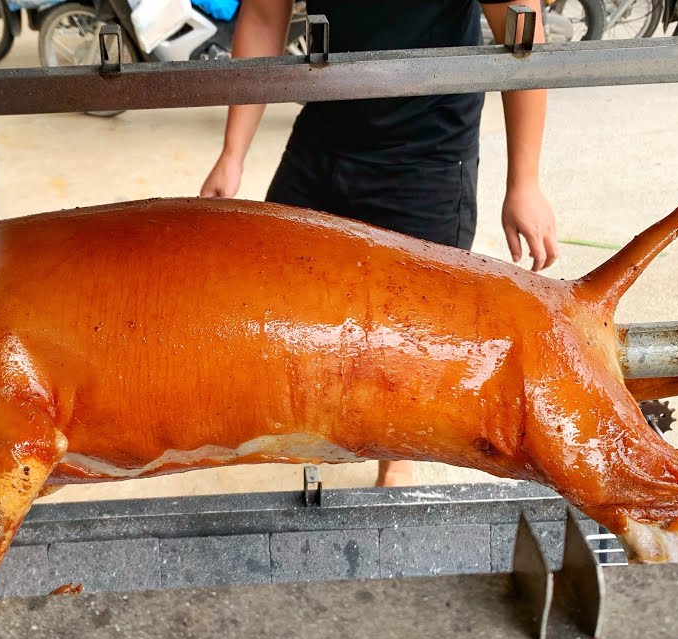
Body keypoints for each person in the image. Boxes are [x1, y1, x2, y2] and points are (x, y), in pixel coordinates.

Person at [200, 0, 560, 487]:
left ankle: (396, 461)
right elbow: (264, 17)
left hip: (428, 151)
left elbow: (521, 33)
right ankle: (319, 416)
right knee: (280, 292)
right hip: (327, 128)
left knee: (413, 330)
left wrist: (525, 182)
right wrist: (232, 153)